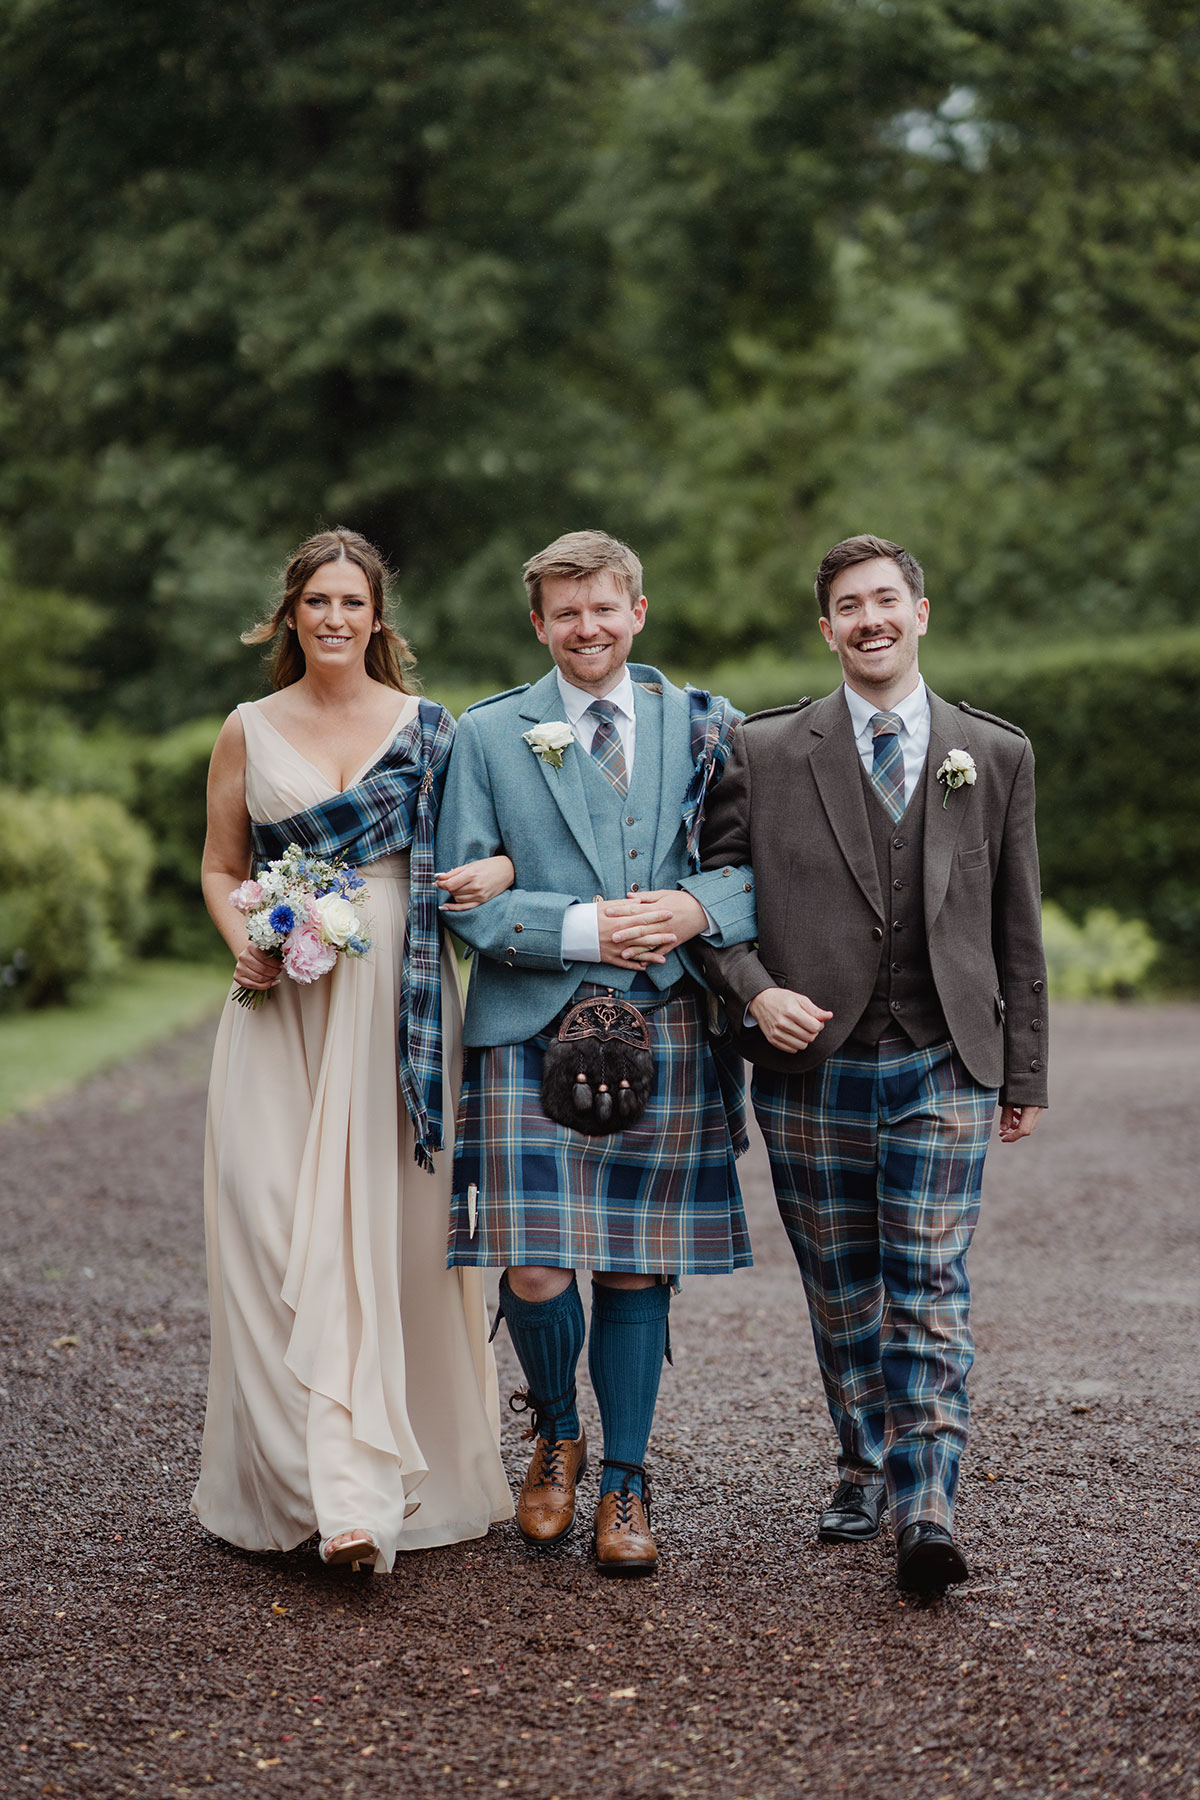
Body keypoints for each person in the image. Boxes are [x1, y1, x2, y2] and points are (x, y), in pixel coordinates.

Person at [699, 533, 1047, 1594]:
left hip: (945, 1059)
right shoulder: (762, 752)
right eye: (849, 606)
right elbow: (711, 904)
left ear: (921, 613)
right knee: (843, 1285)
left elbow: (1016, 926)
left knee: (929, 1281)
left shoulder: (991, 754)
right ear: (827, 629)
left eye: (886, 600)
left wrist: (1024, 1073)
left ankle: (927, 1496)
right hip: (811, 1069)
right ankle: (863, 1460)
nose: (870, 620)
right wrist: (758, 990)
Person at [434, 529, 757, 1576]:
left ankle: (626, 1479)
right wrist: (584, 929)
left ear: (638, 612)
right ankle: (555, 1433)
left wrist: (687, 905)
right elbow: (462, 896)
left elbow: (756, 871)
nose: (587, 627)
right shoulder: (487, 736)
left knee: (635, 1262)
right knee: (532, 1264)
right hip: (532, 1023)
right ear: (540, 624)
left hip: (662, 1023)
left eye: (603, 608)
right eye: (565, 612)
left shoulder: (707, 723)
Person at [192, 527, 515, 1572]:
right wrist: (250, 943)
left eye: (354, 603)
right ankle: (297, 1477)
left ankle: (361, 1501)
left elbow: (488, 853)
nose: (336, 619)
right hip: (283, 1004)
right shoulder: (246, 729)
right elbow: (219, 865)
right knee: (270, 1223)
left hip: (400, 1009)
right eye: (317, 602)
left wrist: (497, 877)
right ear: (290, 615)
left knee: (392, 1237)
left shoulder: (431, 729)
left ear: (380, 620)